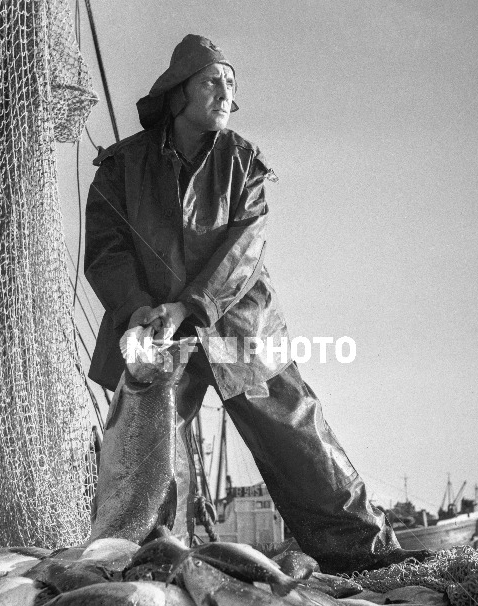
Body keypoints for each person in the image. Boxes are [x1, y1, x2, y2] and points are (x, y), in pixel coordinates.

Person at [84, 35, 428, 573]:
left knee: (295, 433)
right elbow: (106, 249)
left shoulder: (244, 162)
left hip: (239, 321)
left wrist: (191, 308)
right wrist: (137, 309)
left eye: (232, 84)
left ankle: (368, 555)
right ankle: (146, 561)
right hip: (154, 331)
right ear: (179, 94)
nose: (226, 94)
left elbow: (245, 250)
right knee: (151, 448)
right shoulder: (120, 167)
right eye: (213, 81)